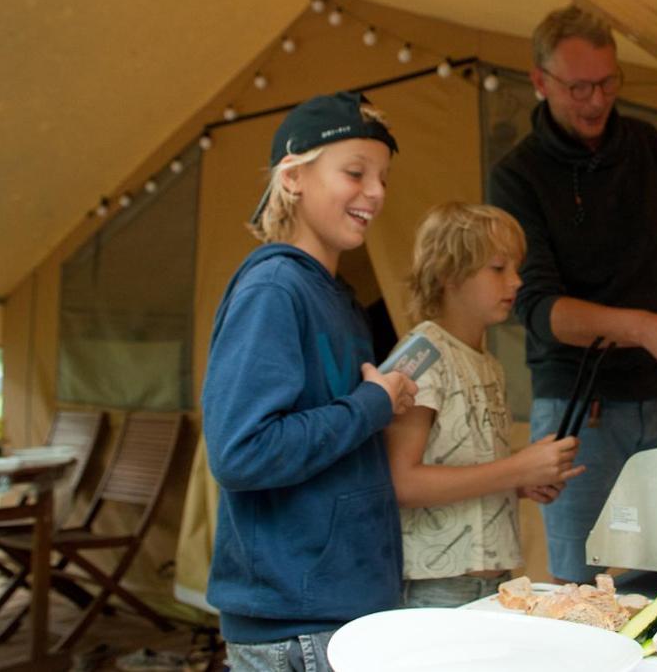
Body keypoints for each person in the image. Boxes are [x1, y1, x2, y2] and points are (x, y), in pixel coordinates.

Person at [488, 5, 657, 584]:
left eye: (607, 83)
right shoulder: (518, 175)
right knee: (582, 583)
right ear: (540, 81)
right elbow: (541, 311)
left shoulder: (646, 145)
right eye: (578, 87)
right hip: (579, 410)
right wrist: (647, 327)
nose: (596, 101)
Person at [201, 91, 418, 672]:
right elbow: (241, 453)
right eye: (354, 172)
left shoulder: (340, 300)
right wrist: (371, 405)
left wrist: (377, 406)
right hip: (292, 627)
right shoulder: (273, 291)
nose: (375, 192)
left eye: (383, 178)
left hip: (348, 610)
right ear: (293, 178)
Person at [385, 202, 583, 607]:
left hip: (496, 582)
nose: (516, 282)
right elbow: (400, 482)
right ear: (447, 274)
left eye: (516, 268)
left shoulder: (488, 362)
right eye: (497, 268)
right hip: (439, 586)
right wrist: (516, 467)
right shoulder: (421, 355)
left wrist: (522, 483)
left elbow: (467, 467)